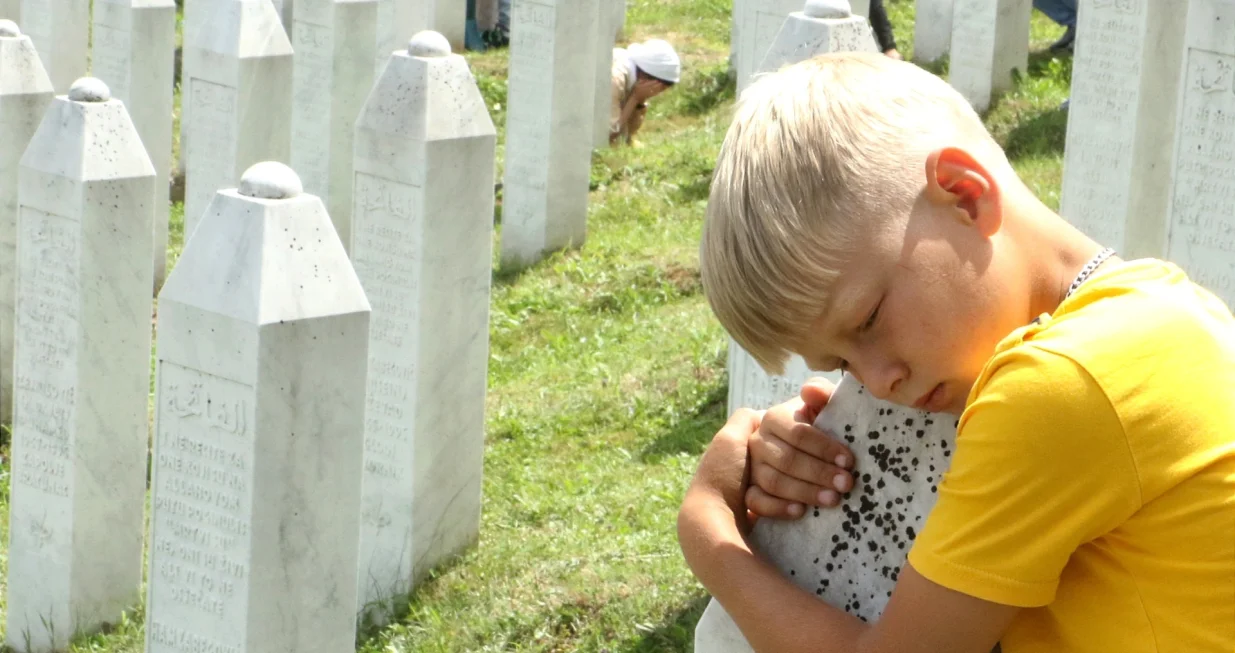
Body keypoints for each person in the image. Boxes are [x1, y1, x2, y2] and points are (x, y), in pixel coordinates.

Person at [679, 52, 1235, 652]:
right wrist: (836, 434)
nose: (878, 383)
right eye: (841, 366)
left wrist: (710, 528)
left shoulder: (1058, 389)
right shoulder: (1156, 310)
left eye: (867, 320)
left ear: (967, 196)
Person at [610, 39, 681, 147]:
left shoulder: (632, 80)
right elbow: (609, 135)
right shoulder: (615, 79)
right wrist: (634, 98)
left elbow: (628, 135)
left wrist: (639, 102)